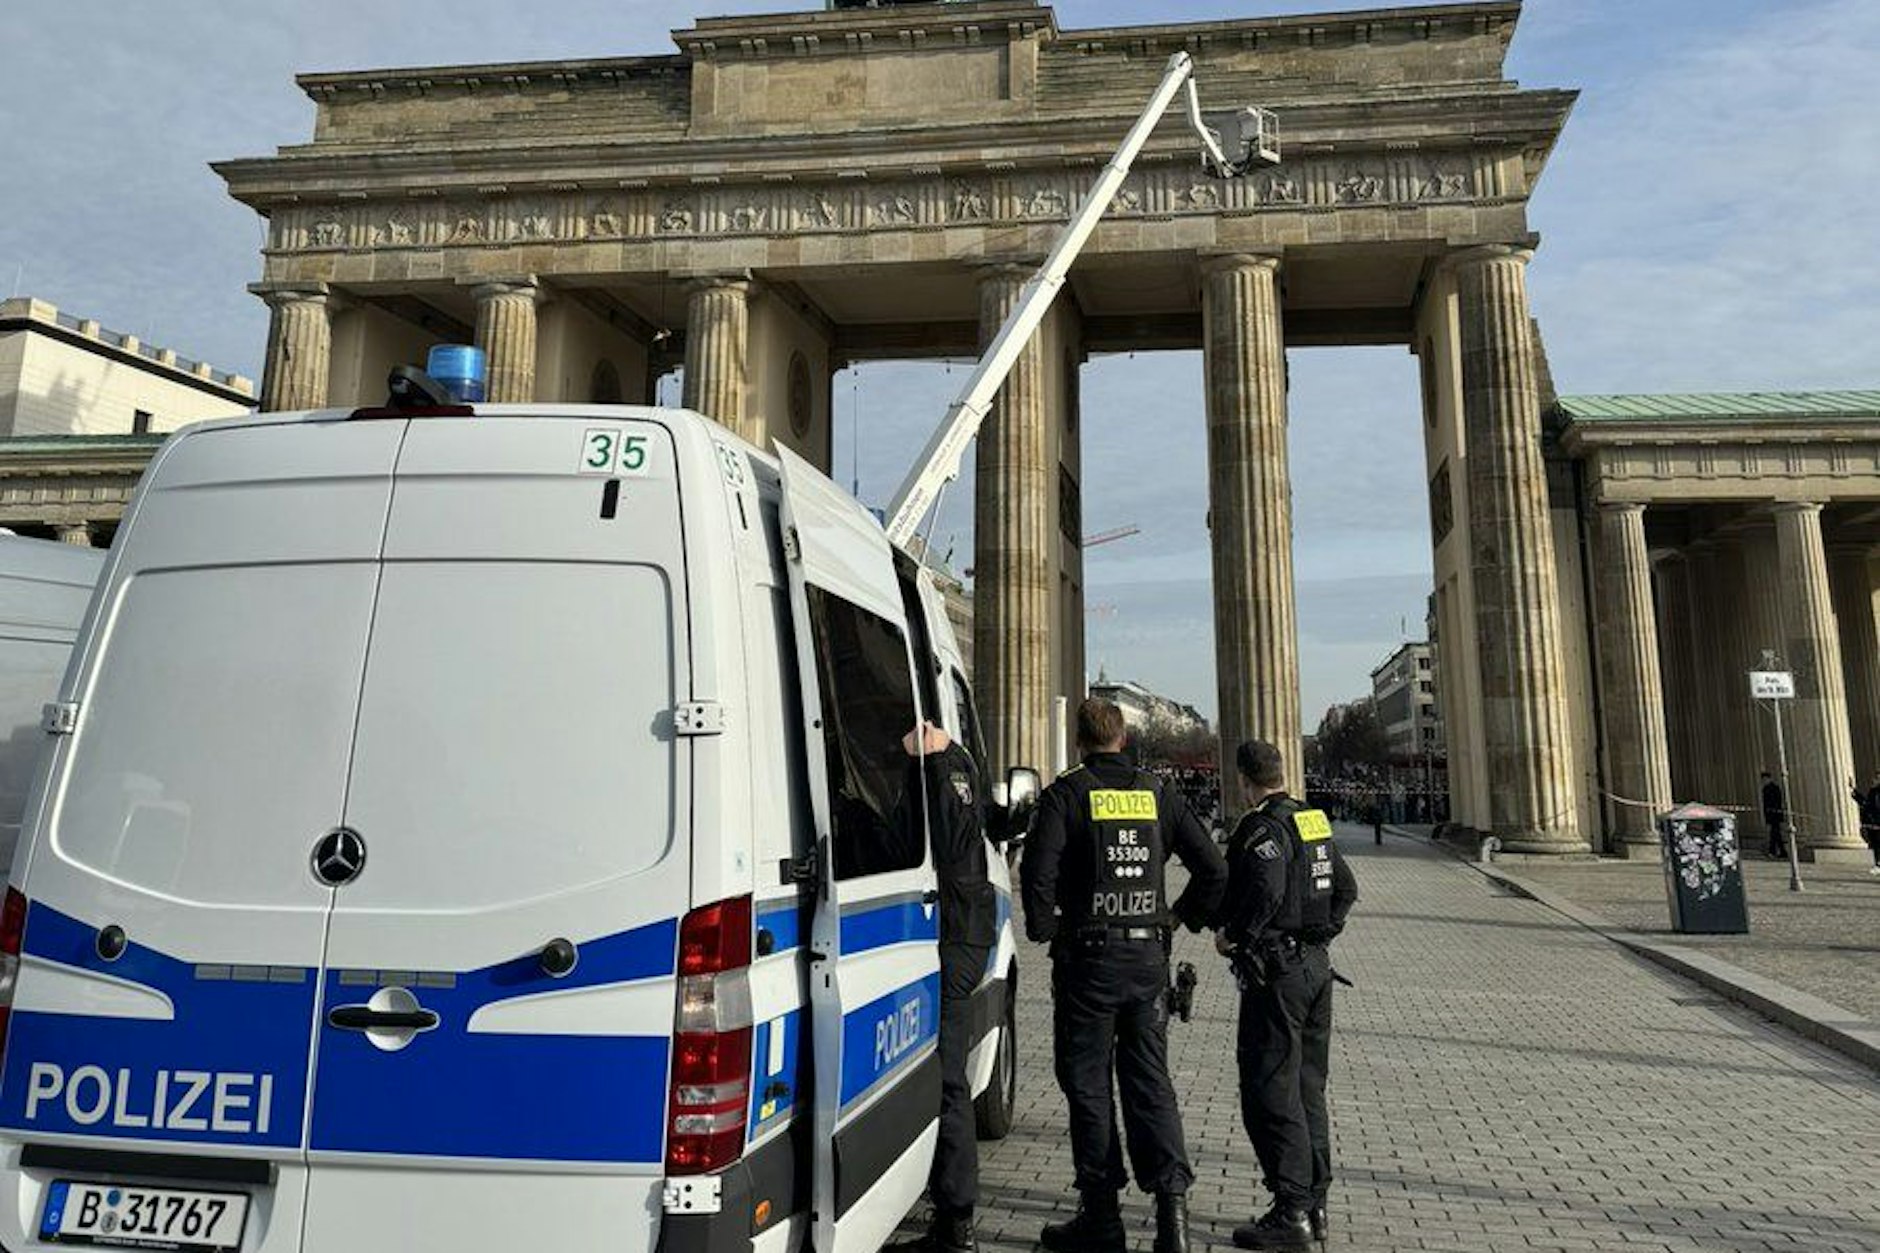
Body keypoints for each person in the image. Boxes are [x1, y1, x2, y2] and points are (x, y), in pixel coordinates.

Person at [1022, 698, 1228, 1253]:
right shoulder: (1156, 792)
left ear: (1080, 740)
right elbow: (1214, 866)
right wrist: (1179, 917)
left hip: (1088, 960)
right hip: (1147, 960)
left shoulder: (1067, 792)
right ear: (1124, 737)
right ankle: (1172, 1218)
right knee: (1150, 1083)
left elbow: (1037, 872)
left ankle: (1102, 1216)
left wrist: (1046, 929)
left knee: (1089, 1087)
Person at [1215, 740, 1358, 1250]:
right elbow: (1346, 887)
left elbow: (1268, 890)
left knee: (1269, 1091)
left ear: (1244, 780)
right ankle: (1315, 1203)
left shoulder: (1260, 827)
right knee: (1307, 1088)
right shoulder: (1312, 820)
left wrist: (1237, 935)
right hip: (1317, 971)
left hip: (1277, 975)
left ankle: (1290, 1210)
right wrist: (1321, 936)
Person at [888, 721, 997, 1253]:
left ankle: (957, 1224)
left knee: (949, 1080)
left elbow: (952, 842)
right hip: (962, 935)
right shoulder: (965, 767)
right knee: (945, 1076)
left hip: (952, 937)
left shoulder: (949, 769)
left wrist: (932, 759)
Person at [1851, 772, 1880, 876]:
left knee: (1877, 844)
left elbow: (1871, 807)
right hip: (1872, 823)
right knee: (1876, 845)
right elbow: (1867, 805)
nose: (1874, 780)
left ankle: (1878, 864)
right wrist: (1855, 793)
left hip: (1876, 823)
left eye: (1877, 778)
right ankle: (1878, 864)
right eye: (1875, 778)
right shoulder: (1873, 792)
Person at [1761, 771, 1787, 860]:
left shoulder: (1770, 789)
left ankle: (1773, 851)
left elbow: (1773, 803)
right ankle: (1781, 851)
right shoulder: (1771, 788)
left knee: (1774, 833)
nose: (1764, 781)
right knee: (1776, 833)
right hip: (1774, 814)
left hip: (1773, 815)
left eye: (1765, 779)